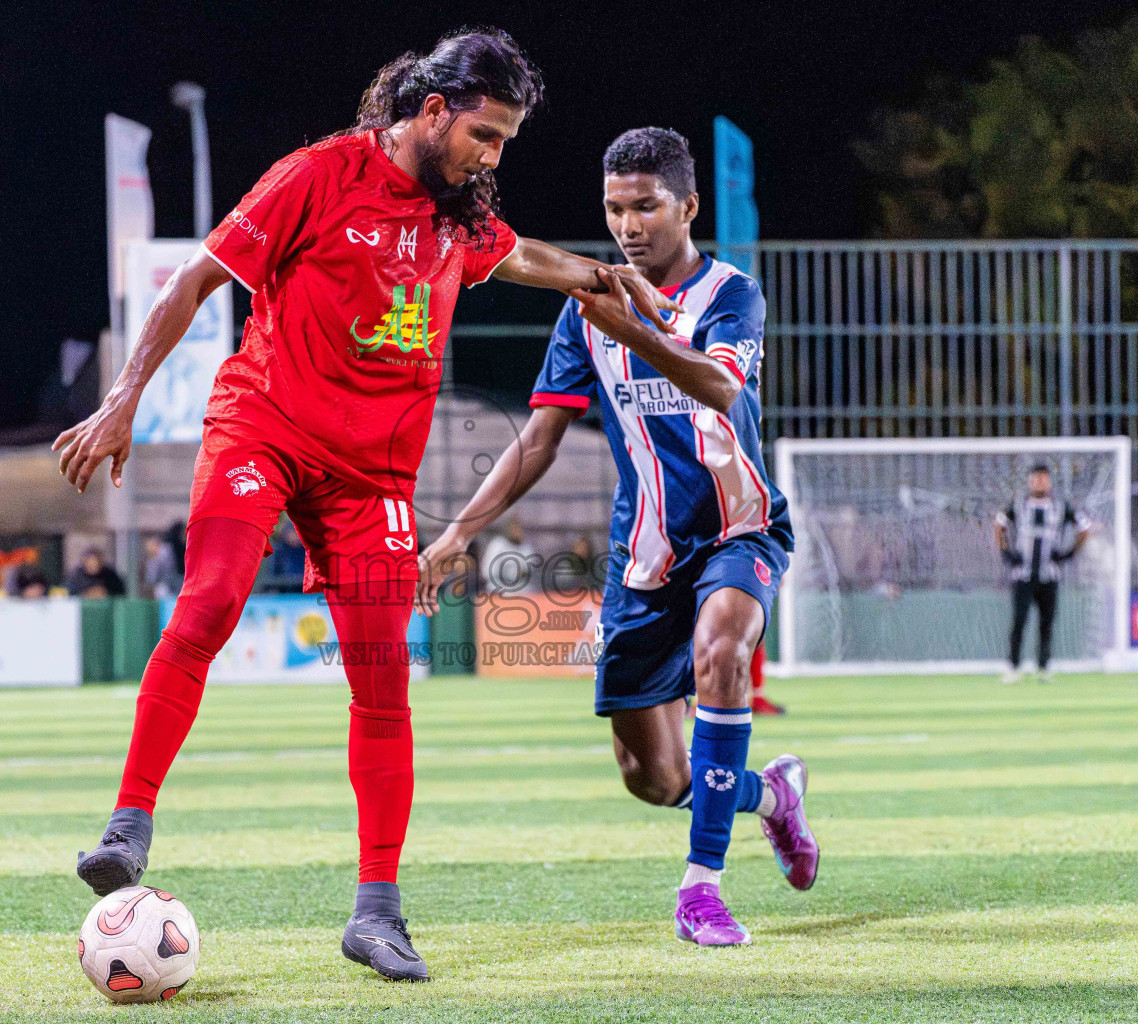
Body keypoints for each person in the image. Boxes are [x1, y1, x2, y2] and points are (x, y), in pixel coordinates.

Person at [52, 28, 682, 982]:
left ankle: (376, 913)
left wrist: (603, 277)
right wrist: (122, 399)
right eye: (486, 134)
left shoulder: (460, 219)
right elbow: (194, 280)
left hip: (371, 482)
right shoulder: (317, 174)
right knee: (213, 600)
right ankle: (129, 825)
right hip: (262, 427)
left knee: (385, 680)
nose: (492, 157)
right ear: (433, 112)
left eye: (506, 141)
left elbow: (527, 259)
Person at [419, 128, 816, 947]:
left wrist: (631, 326)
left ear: (688, 207)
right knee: (656, 779)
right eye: (614, 209)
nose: (628, 225)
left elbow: (714, 381)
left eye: (645, 207)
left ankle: (700, 891)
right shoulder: (583, 312)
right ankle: (771, 796)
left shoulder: (734, 294)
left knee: (724, 650)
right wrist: (461, 530)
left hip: (740, 529)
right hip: (645, 559)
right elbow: (539, 438)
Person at [995, 463, 1090, 683]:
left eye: (1044, 478)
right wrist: (1006, 553)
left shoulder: (1061, 506)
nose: (1040, 482)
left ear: (1049, 481)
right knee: (1019, 620)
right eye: (1036, 478)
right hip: (1023, 574)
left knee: (1047, 621)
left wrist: (1069, 553)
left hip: (1050, 575)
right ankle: (1013, 665)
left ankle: (1044, 666)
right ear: (1029, 481)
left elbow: (1084, 527)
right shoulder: (1018, 505)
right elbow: (998, 525)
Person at [479, 516, 535, 593]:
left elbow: (530, 569)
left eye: (519, 528)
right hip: (499, 588)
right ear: (508, 529)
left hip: (522, 589)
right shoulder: (498, 544)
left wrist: (522, 573)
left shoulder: (526, 545)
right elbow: (487, 572)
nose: (518, 531)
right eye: (514, 528)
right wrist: (510, 574)